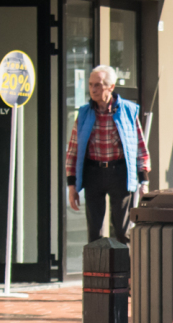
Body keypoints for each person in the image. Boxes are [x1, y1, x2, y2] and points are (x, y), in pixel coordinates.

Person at [65, 65, 150, 244]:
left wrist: (144, 181)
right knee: (94, 233)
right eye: (90, 85)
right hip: (93, 173)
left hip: (120, 173)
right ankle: (96, 271)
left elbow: (140, 147)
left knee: (122, 232)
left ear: (111, 87)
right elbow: (73, 151)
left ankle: (125, 271)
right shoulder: (84, 113)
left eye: (98, 85)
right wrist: (72, 186)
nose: (93, 90)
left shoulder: (127, 110)